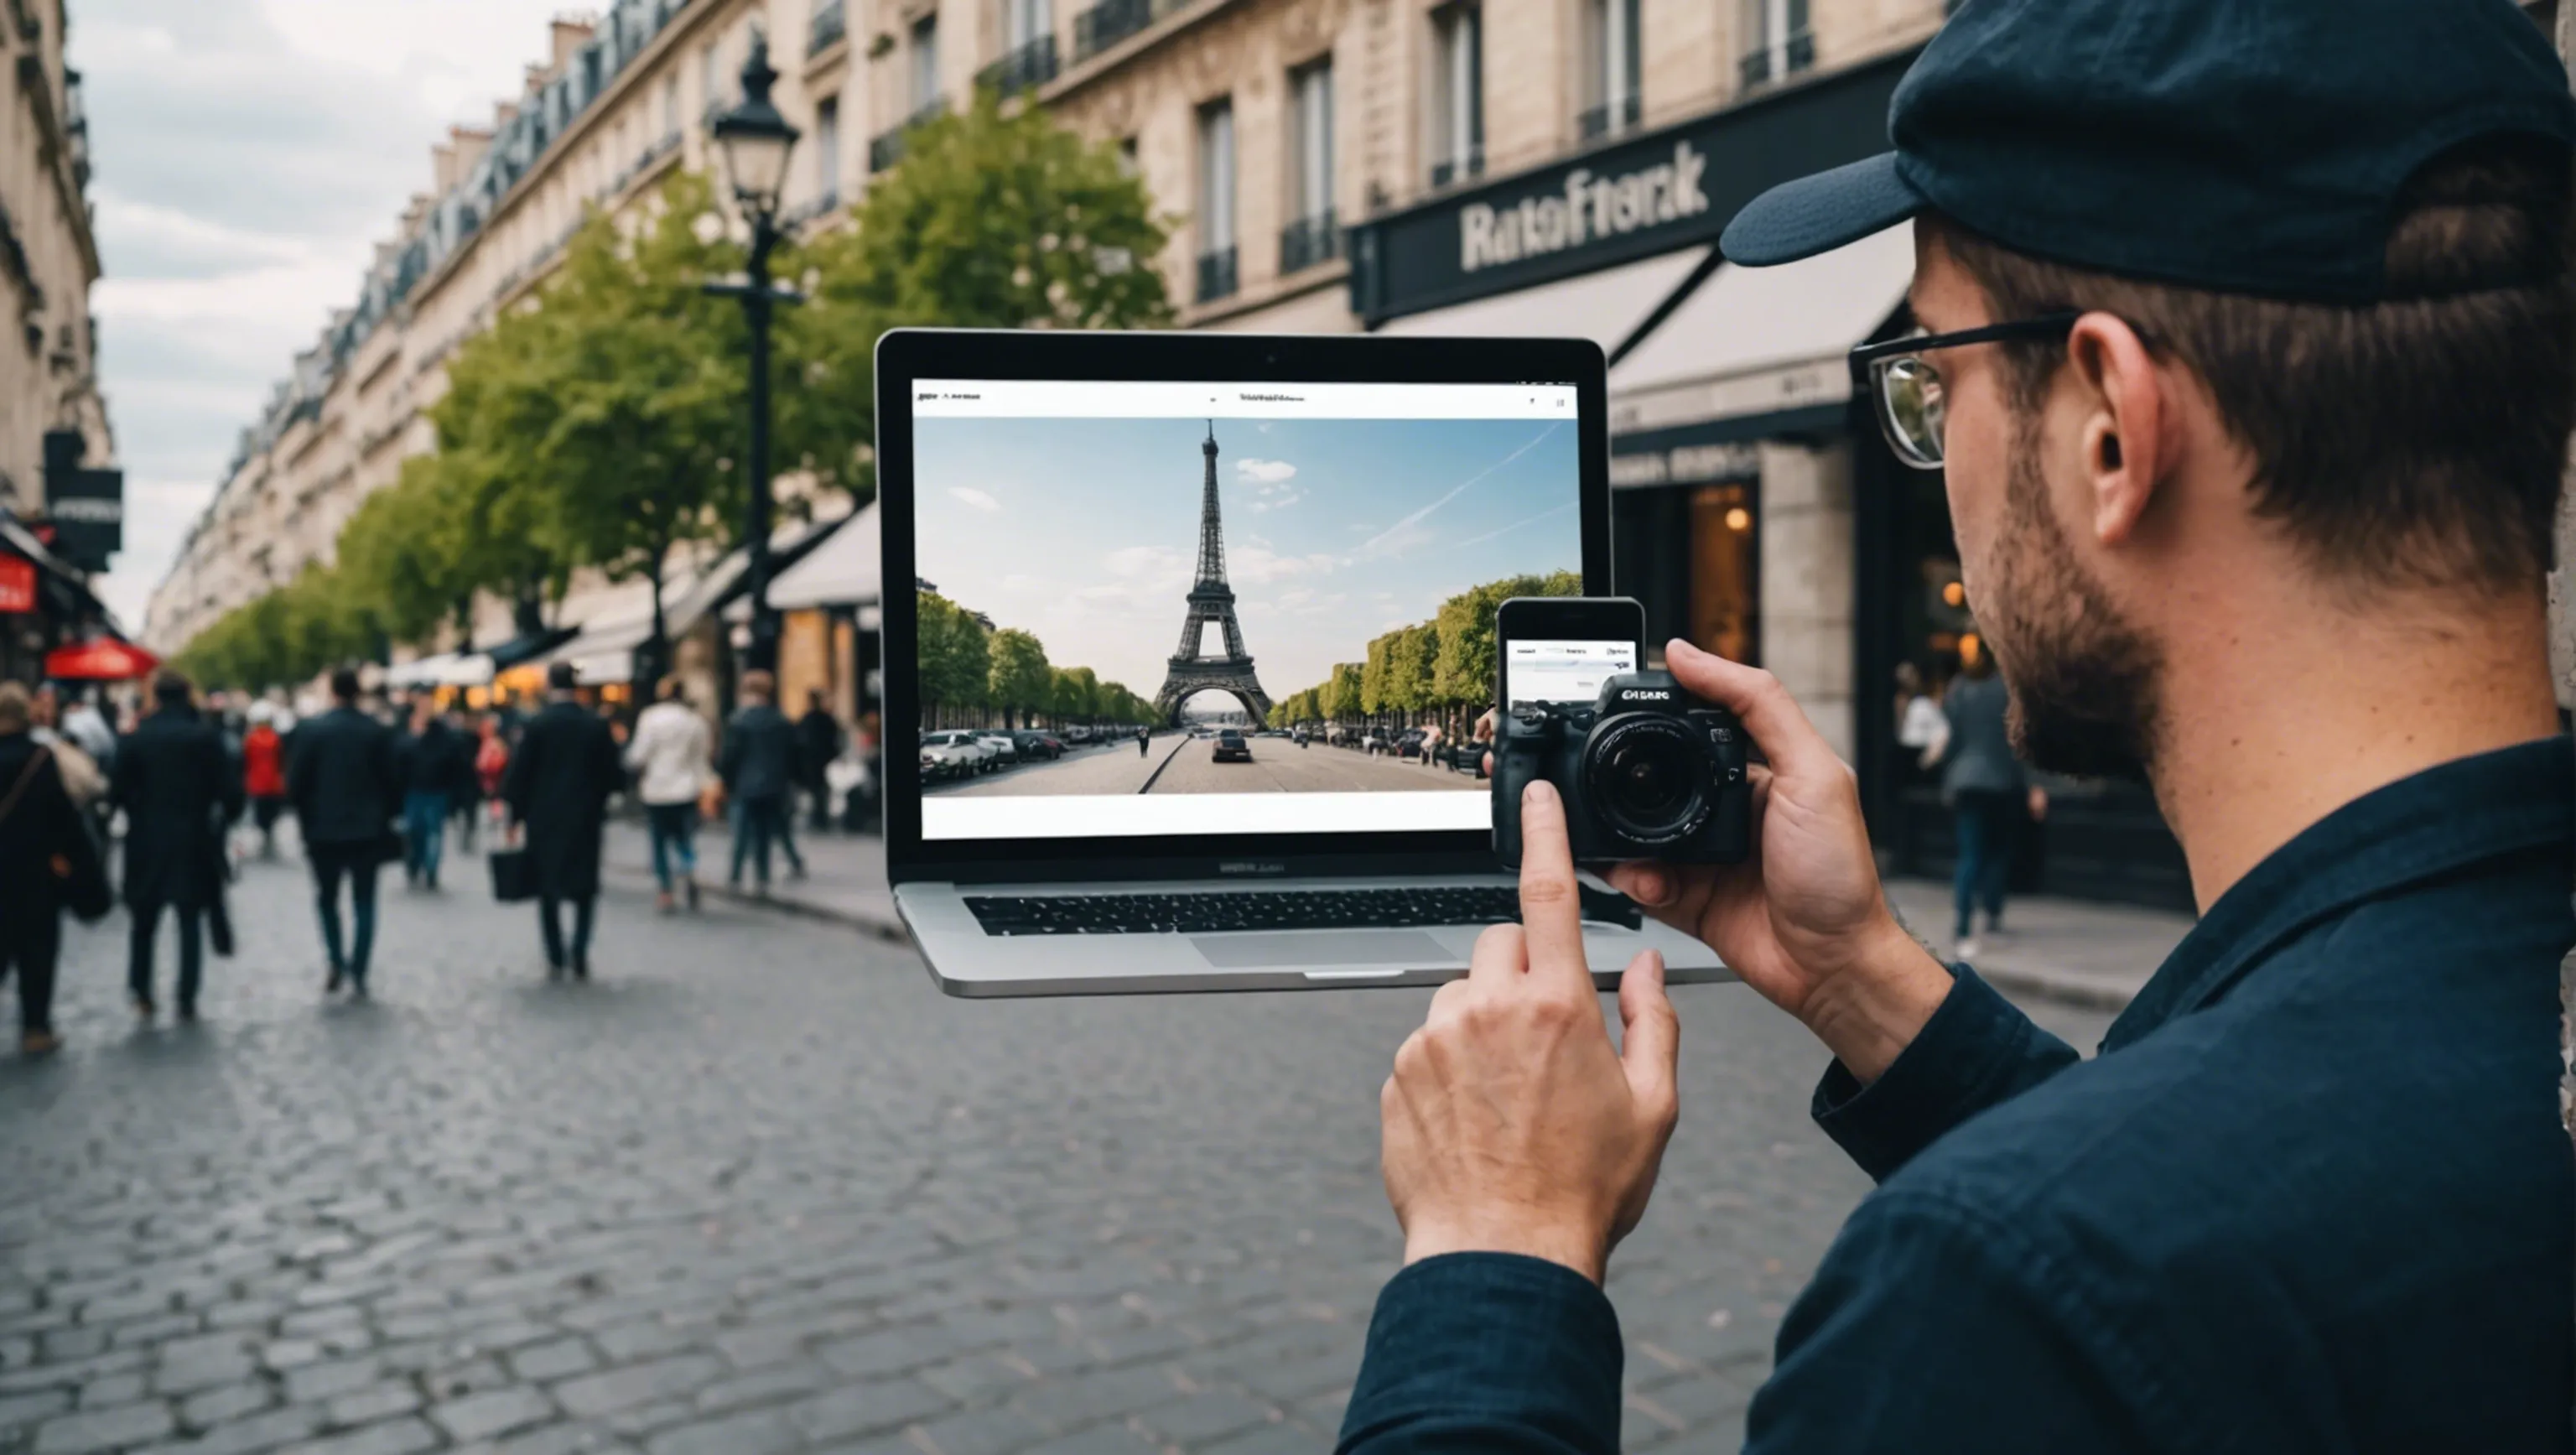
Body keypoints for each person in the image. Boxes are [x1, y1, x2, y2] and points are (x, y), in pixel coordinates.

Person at [1337, 2, 2576, 1449]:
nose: (1935, 459)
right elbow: (2238, 1176)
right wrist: (1860, 975)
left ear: (2109, 425)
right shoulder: (2443, 1057)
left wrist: (1497, 1249)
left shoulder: (2000, 1297)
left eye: (1931, 377)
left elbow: (2130, 1237)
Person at [112, 671, 240, 1023]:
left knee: (144, 919)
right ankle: (186, 994)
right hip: (193, 836)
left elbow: (116, 790)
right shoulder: (204, 737)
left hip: (146, 838)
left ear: (155, 696)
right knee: (189, 918)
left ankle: (141, 989)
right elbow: (230, 792)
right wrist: (222, 820)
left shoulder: (138, 738)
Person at [503, 661, 623, 980]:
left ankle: (555, 953)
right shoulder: (595, 725)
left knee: (547, 886)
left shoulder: (537, 724)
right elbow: (613, 775)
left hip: (545, 818)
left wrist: (514, 816)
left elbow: (520, 773)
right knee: (585, 887)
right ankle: (580, 950)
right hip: (585, 817)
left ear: (549, 686)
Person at [287, 668, 400, 997]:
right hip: (367, 830)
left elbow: (297, 785)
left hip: (324, 831)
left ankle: (336, 959)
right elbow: (392, 782)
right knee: (364, 900)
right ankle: (359, 966)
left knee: (327, 899)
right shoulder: (376, 731)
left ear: (333, 692)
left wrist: (306, 820)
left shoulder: (312, 731)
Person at [1928, 647, 2044, 959]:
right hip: (1999, 782)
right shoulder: (2006, 693)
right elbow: (2020, 742)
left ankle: (1964, 925)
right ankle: (1991, 915)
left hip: (1966, 781)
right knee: (1996, 851)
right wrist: (2034, 786)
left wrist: (1946, 777)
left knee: (1971, 853)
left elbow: (1952, 742)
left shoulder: (1958, 693)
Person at [0, 683, 91, 1055]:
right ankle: (36, 1028)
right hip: (34, 872)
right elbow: (63, 817)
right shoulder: (40, 758)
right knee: (37, 950)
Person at [626, 676, 713, 913]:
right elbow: (701, 758)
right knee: (685, 838)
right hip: (686, 788)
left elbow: (638, 755)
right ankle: (689, 870)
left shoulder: (650, 718)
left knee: (659, 842)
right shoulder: (695, 721)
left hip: (657, 789)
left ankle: (665, 891)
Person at [719, 670, 804, 891]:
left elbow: (730, 756)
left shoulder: (739, 721)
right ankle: (762, 877)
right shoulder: (780, 720)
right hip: (775, 785)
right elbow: (793, 754)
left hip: (745, 785)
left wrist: (726, 782)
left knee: (742, 833)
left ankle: (735, 875)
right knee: (765, 834)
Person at [397, 701, 464, 890]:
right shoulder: (441, 738)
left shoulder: (425, 738)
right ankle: (423, 866)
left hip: (428, 791)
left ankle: (425, 867)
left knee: (425, 832)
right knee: (424, 832)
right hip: (424, 791)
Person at [241, 704, 288, 859]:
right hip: (274, 783)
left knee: (259, 813)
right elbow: (282, 761)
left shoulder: (250, 740)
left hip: (256, 783)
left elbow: (244, 762)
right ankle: (268, 837)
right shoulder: (276, 739)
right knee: (272, 814)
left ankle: (264, 836)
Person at [795, 689, 842, 834]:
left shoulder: (809, 720)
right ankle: (819, 817)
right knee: (820, 791)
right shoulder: (824, 719)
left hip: (813, 761)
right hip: (820, 761)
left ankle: (818, 817)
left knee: (816, 791)